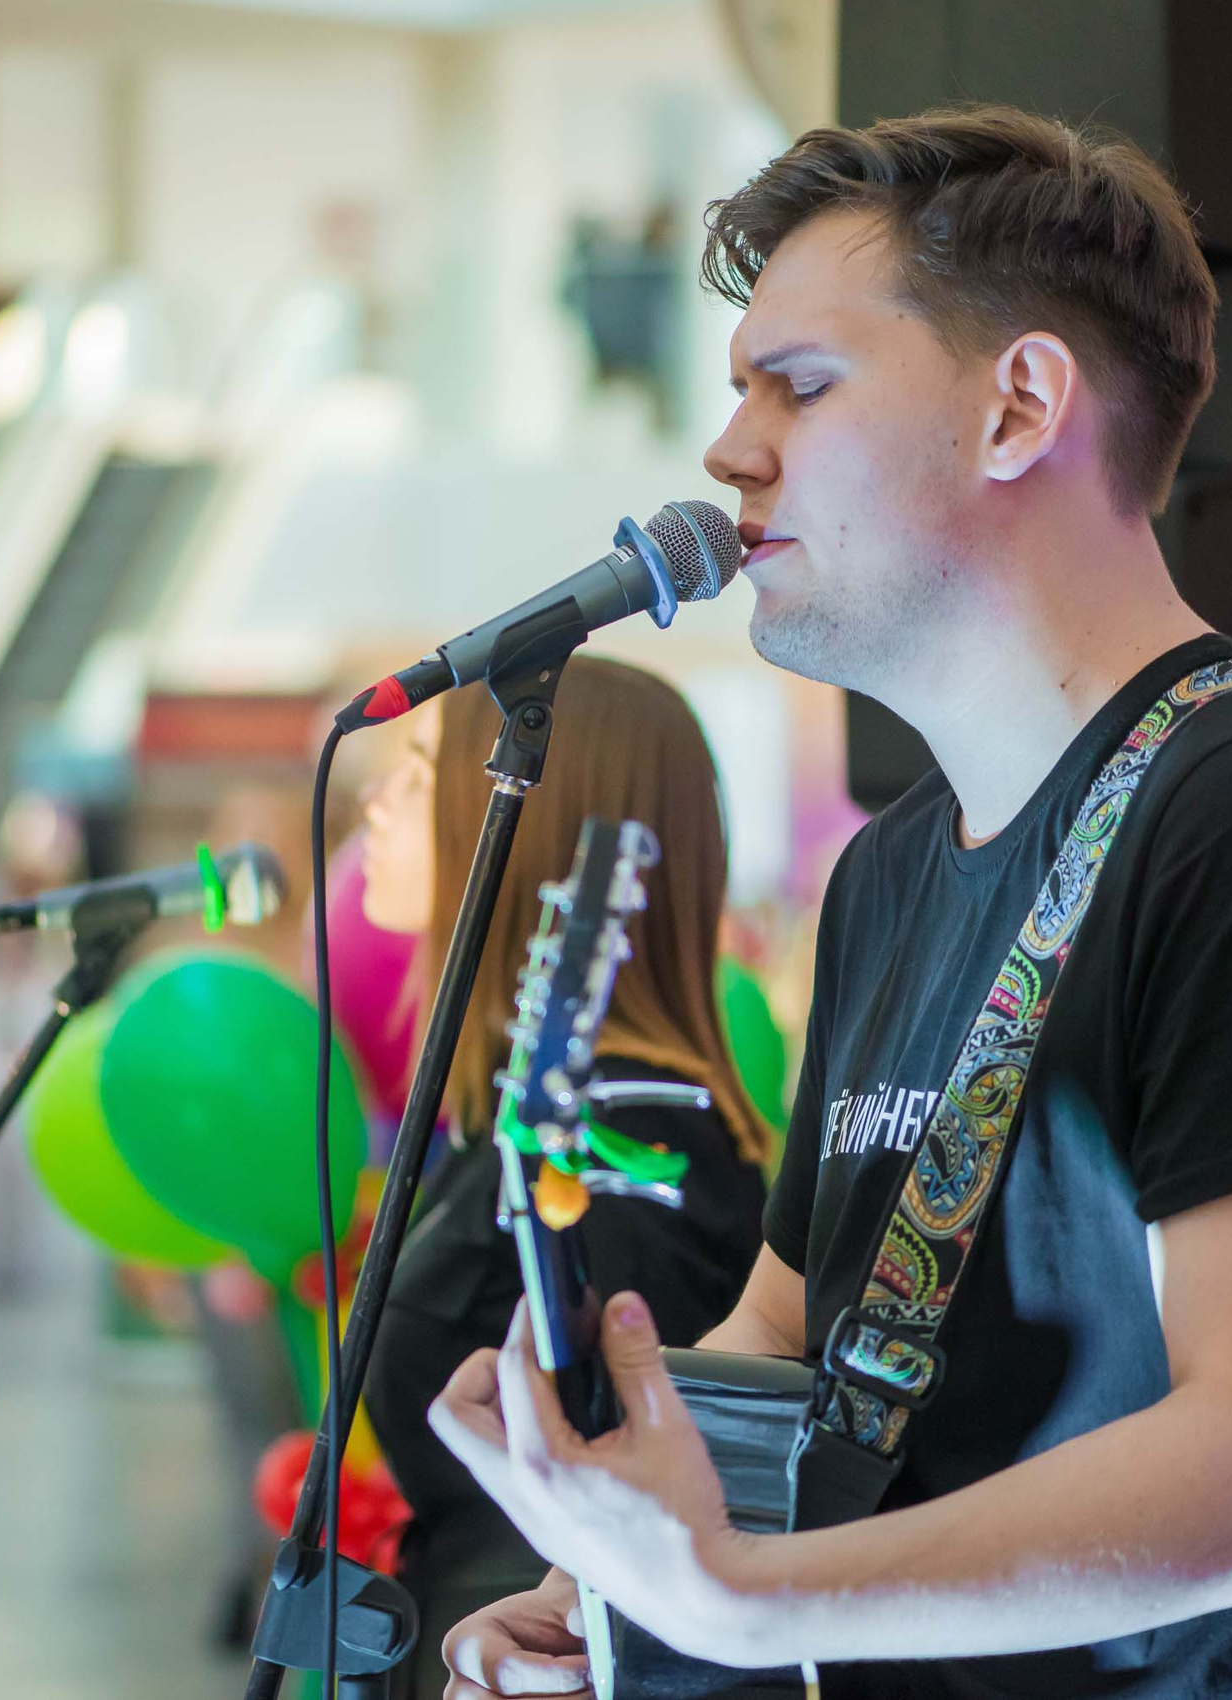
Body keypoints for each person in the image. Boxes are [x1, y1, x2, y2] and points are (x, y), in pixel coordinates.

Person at [429, 108, 1232, 1698]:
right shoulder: (890, 870)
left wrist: (753, 1604)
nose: (730, 450)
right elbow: (794, 1331)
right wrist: (604, 1575)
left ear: (1020, 406)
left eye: (799, 385)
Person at [359, 656, 773, 1700]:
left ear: (532, 819)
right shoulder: (509, 1117)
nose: (375, 802)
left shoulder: (621, 1146)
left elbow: (651, 1524)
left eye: (418, 774)